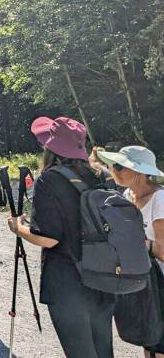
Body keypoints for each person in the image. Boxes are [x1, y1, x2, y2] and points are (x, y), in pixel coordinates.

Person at [7, 116, 115, 358]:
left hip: (68, 285)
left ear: (51, 147)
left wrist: (18, 227)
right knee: (104, 351)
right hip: (105, 279)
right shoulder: (104, 176)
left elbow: (48, 238)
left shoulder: (51, 179)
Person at [98, 145, 164, 358]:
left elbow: (163, 251)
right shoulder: (128, 195)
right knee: (150, 336)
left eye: (119, 166)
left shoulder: (160, 199)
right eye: (112, 165)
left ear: (141, 172)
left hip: (160, 280)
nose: (113, 170)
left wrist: (138, 243)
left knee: (160, 340)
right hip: (147, 279)